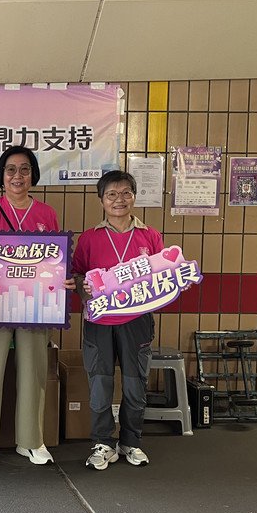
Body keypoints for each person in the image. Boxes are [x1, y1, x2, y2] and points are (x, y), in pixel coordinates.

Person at [0, 145, 75, 468]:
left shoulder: (46, 214)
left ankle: (31, 440)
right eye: (11, 169)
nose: (17, 176)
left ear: (33, 175)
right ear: (1, 176)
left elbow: (56, 260)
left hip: (35, 306)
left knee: (34, 368)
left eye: (25, 169)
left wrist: (63, 278)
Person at [72, 170, 163, 470]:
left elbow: (162, 274)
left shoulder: (150, 236)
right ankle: (102, 442)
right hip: (99, 320)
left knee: (136, 383)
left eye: (125, 193)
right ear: (101, 200)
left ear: (134, 197)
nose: (119, 200)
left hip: (137, 320)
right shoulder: (90, 237)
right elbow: (77, 274)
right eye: (111, 194)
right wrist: (82, 287)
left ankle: (131, 442)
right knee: (100, 385)